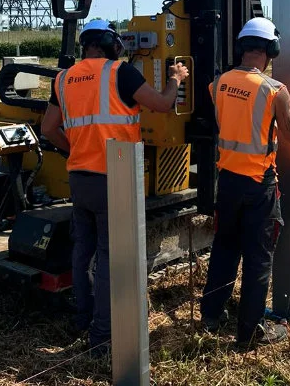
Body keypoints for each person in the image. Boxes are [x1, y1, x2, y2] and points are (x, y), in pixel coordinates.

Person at [41, 19, 189, 355]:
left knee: (83, 251)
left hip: (79, 177)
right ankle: (102, 337)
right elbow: (164, 105)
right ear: (111, 44)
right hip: (115, 177)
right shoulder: (120, 73)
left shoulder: (62, 79)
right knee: (109, 257)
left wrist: (74, 149)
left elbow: (48, 127)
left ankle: (83, 317)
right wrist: (175, 79)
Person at [200, 17, 290, 349]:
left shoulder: (217, 84)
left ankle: (211, 317)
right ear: (270, 50)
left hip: (228, 183)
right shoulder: (273, 90)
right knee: (259, 258)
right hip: (259, 187)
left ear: (243, 47)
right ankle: (250, 333)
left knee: (224, 250)